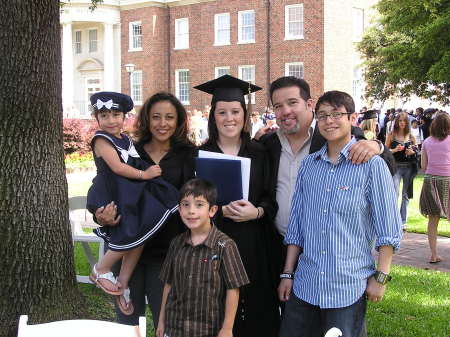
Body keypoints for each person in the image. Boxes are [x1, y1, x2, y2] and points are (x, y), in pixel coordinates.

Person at [278, 91, 402, 337]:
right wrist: (287, 273)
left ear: (353, 118)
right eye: (322, 115)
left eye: (337, 114)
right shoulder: (309, 165)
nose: (329, 121)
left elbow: (388, 227)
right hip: (305, 284)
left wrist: (381, 277)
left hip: (347, 286)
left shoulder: (372, 166)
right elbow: (297, 226)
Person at [94, 92, 196, 328]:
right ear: (146, 120)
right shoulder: (130, 151)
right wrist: (102, 215)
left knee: (167, 322)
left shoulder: (189, 155)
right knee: (128, 321)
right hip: (128, 247)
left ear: (179, 120)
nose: (163, 124)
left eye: (169, 117)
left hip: (168, 252)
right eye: (156, 117)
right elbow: (106, 186)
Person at [194, 74, 280, 337]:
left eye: (235, 111)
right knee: (216, 306)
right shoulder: (199, 154)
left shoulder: (260, 152)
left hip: (253, 241)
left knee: (256, 305)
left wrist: (257, 211)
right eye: (222, 112)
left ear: (244, 114)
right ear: (213, 116)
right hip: (214, 241)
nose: (229, 118)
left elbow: (271, 196)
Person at [156, 178, 249, 337]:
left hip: (208, 330)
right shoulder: (176, 243)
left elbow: (233, 289)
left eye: (199, 205)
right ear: (179, 210)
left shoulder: (225, 245)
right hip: (174, 328)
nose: (191, 211)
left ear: (212, 210)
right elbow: (168, 283)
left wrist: (227, 328)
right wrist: (161, 321)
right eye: (186, 204)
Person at [419, 113, 450, 263]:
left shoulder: (426, 142)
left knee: (433, 220)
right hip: (447, 180)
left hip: (430, 180)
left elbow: (423, 166)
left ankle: (433, 255)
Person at [385, 112, 418, 229]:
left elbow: (417, 150)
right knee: (395, 193)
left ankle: (403, 220)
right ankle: (393, 219)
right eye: (400, 121)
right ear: (397, 122)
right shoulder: (391, 135)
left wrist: (412, 152)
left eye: (404, 121)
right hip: (396, 166)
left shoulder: (411, 136)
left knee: (405, 194)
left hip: (409, 167)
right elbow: (385, 151)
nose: (402, 123)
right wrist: (394, 150)